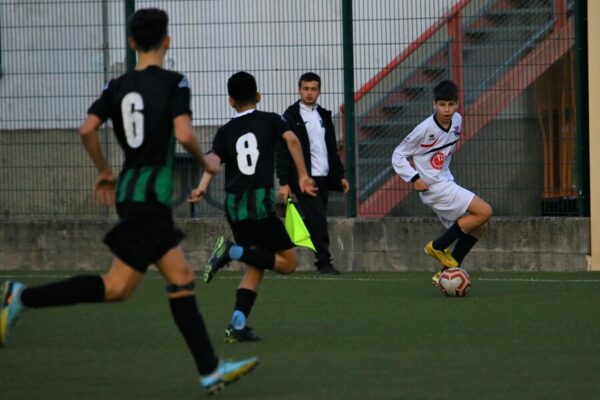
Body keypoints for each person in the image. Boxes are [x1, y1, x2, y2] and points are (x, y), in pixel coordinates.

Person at [0, 8, 258, 395]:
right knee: (158, 281)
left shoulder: (116, 85)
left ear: (132, 42)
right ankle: (21, 297)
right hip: (150, 198)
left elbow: (87, 128)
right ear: (167, 42)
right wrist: (206, 162)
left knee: (132, 285)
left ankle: (210, 370)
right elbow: (184, 131)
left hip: (130, 194)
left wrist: (104, 169)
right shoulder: (175, 82)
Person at [188, 71, 317, 343]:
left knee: (255, 264)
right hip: (258, 204)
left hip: (234, 206)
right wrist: (303, 175)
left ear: (230, 101)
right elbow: (292, 140)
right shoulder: (270, 120)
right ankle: (230, 250)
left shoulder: (224, 131)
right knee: (288, 263)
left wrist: (201, 187)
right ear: (258, 96)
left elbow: (212, 162)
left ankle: (237, 325)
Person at [391, 80, 492, 286]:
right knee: (484, 211)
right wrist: (415, 178)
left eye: (451, 104)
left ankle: (447, 272)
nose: (447, 109)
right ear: (434, 105)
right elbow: (397, 155)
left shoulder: (457, 120)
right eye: (442, 104)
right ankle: (437, 246)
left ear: (457, 104)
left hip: (445, 181)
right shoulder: (424, 128)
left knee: (479, 227)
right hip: (435, 187)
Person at [276, 72, 349, 275]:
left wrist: (340, 175)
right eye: (306, 89)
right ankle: (323, 263)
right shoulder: (290, 117)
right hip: (304, 179)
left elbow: (331, 148)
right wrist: (284, 181)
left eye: (313, 89)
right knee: (318, 219)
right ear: (299, 90)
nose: (309, 93)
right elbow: (282, 151)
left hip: (323, 176)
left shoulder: (323, 115)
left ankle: (276, 246)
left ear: (319, 91)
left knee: (312, 221)